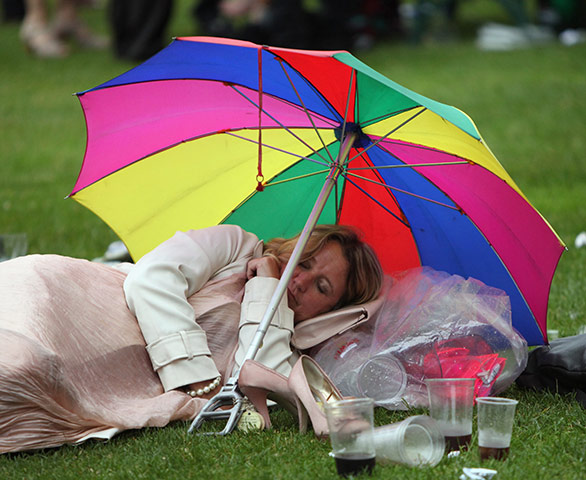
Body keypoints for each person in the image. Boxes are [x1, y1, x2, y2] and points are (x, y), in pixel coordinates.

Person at [0, 223, 382, 453]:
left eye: (321, 286)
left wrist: (267, 287)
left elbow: (252, 371)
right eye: (305, 261)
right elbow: (150, 279)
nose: (299, 281)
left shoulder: (286, 340)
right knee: (18, 366)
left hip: (96, 372)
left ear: (330, 309)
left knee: (27, 398)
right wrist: (193, 375)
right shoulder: (235, 244)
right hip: (71, 301)